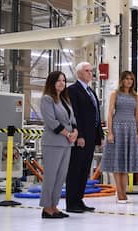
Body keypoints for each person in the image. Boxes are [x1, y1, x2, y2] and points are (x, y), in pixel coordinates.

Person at [66, 62, 104, 213]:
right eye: (87, 71)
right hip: (80, 137)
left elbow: (96, 115)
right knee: (75, 169)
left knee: (84, 170)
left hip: (91, 137)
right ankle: (71, 202)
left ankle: (79, 200)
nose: (90, 74)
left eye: (91, 71)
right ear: (79, 73)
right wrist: (79, 135)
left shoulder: (91, 91)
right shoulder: (73, 90)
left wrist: (99, 135)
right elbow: (74, 115)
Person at [39, 71, 78, 218]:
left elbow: (72, 120)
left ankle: (54, 206)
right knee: (51, 176)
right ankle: (46, 208)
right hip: (53, 143)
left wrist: (75, 132)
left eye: (64, 80)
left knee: (61, 177)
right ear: (52, 82)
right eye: (58, 80)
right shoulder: (47, 99)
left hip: (67, 144)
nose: (62, 83)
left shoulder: (65, 100)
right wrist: (68, 134)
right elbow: (52, 122)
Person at [101, 70, 138, 203]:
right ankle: (120, 193)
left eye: (131, 79)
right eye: (126, 79)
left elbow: (137, 115)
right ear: (122, 80)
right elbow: (110, 113)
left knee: (125, 163)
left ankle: (124, 192)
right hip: (118, 128)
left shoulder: (136, 96)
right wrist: (110, 132)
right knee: (117, 161)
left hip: (130, 129)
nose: (129, 81)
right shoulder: (115, 94)